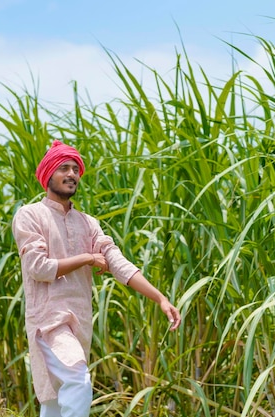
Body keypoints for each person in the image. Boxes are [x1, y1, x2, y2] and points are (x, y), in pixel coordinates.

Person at [11, 140, 181, 417]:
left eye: (75, 169)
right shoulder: (30, 215)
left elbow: (117, 262)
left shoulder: (88, 223)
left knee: (54, 402)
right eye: (64, 167)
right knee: (78, 379)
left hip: (79, 320)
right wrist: (87, 258)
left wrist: (160, 297)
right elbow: (38, 268)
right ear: (48, 174)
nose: (72, 174)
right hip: (49, 320)